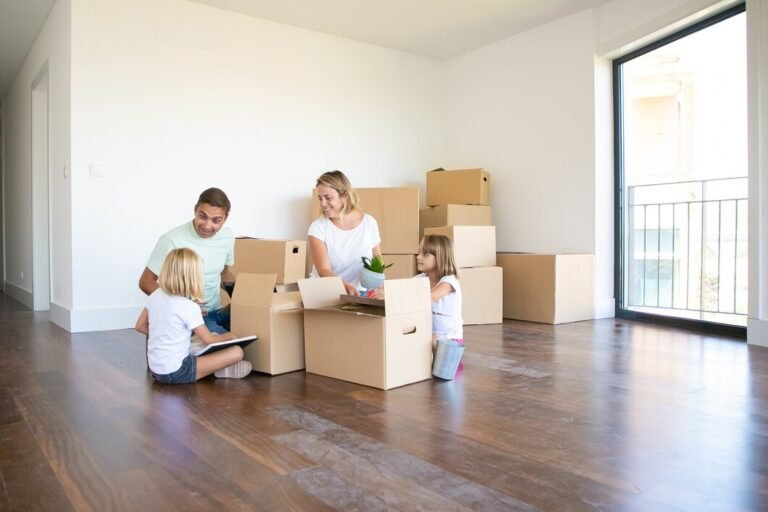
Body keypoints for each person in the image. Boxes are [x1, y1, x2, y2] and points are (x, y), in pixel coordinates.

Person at [135, 248, 252, 383]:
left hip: (156, 370)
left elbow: (140, 326)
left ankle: (218, 370)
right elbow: (209, 340)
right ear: (193, 277)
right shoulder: (189, 306)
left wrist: (165, 333)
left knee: (198, 343)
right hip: (176, 371)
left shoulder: (155, 295)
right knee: (236, 351)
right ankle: (219, 370)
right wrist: (231, 336)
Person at [139, 187, 235, 333]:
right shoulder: (171, 240)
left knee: (257, 330)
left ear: (225, 218)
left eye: (216, 220)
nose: (207, 226)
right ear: (195, 210)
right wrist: (181, 306)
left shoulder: (227, 236)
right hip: (191, 316)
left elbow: (225, 272)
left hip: (217, 310)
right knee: (231, 346)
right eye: (202, 216)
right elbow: (146, 282)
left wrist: (239, 298)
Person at [370, 234, 463, 348]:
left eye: (425, 254)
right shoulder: (422, 279)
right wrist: (383, 290)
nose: (418, 257)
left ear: (440, 257)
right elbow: (400, 287)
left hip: (450, 340)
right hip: (428, 337)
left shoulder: (449, 282)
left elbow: (430, 297)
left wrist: (391, 296)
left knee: (429, 339)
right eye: (419, 252)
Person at [308, 170, 382, 296]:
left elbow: (377, 260)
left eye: (328, 198)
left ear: (345, 196)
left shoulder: (369, 223)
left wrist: (380, 287)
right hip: (324, 292)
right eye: (320, 198)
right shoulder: (318, 228)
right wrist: (345, 286)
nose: (323, 203)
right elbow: (323, 270)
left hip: (359, 293)